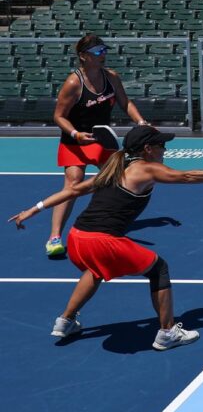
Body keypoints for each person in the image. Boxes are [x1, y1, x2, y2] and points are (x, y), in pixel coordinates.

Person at [9, 125, 203, 351]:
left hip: (77, 237)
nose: (165, 149)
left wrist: (33, 209)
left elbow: (73, 190)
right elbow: (186, 176)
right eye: (161, 145)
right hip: (101, 240)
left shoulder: (114, 168)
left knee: (95, 270)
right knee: (159, 268)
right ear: (147, 149)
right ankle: (167, 332)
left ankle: (65, 321)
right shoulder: (145, 169)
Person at [47, 34, 149, 259]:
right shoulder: (74, 83)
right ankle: (55, 237)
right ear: (83, 57)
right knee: (73, 183)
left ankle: (104, 223)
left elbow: (125, 102)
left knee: (119, 178)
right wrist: (75, 133)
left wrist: (141, 122)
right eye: (97, 52)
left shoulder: (111, 77)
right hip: (75, 140)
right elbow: (58, 116)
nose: (102, 55)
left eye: (104, 50)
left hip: (101, 141)